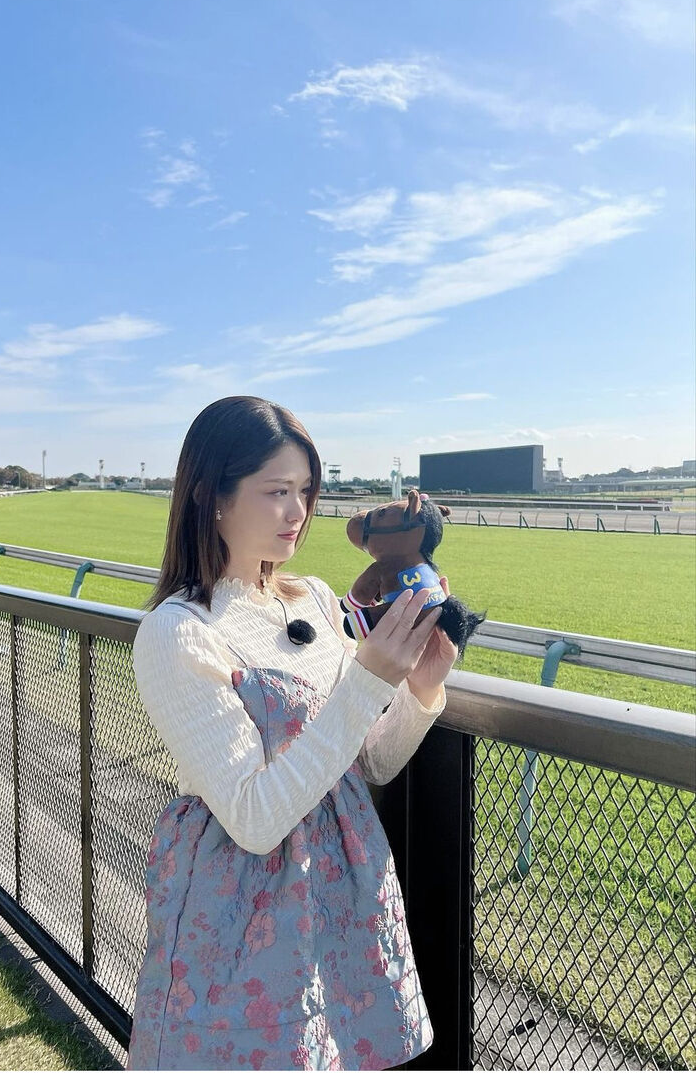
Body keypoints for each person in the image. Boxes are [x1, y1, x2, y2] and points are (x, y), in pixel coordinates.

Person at [128, 396, 457, 1071]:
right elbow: (252, 818)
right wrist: (367, 679)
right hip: (242, 914)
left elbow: (367, 762)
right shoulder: (179, 631)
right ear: (209, 496)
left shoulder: (310, 595)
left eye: (304, 491)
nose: (297, 512)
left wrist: (420, 688)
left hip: (343, 895)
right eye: (275, 491)